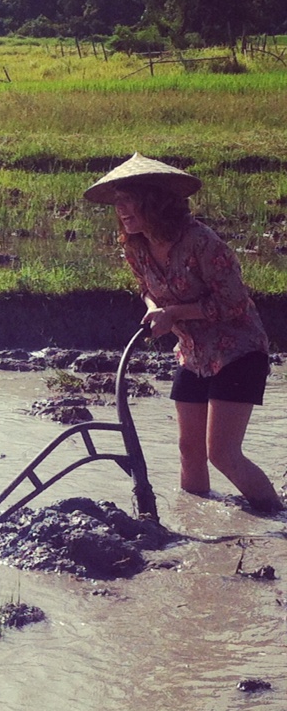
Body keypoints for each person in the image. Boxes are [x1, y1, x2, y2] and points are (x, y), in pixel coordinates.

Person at [84, 153, 283, 512]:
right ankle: (195, 523)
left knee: (222, 454)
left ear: (154, 202)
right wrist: (152, 309)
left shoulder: (202, 242)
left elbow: (235, 302)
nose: (123, 210)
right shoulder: (135, 245)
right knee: (188, 450)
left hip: (238, 352)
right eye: (118, 203)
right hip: (192, 353)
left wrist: (173, 313)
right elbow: (145, 288)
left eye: (130, 200)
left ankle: (276, 516)